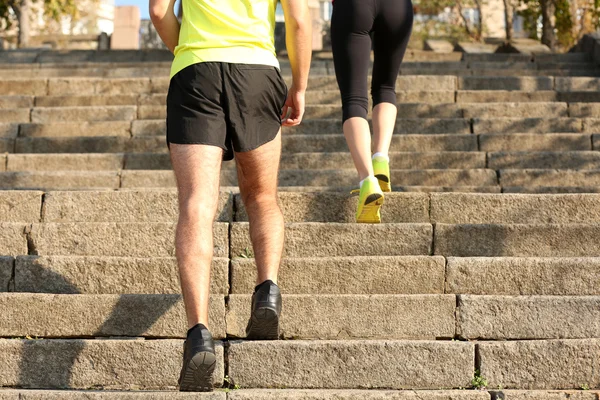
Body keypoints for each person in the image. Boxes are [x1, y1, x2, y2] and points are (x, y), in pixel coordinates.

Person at [149, 0, 312, 391]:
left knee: (196, 204)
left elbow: (157, 11)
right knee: (261, 197)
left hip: (195, 74)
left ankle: (199, 334)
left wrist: (186, 51)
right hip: (257, 72)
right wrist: (300, 86)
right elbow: (299, 19)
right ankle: (267, 291)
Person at [331, 0, 414, 223]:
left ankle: (367, 180)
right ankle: (380, 158)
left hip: (353, 6)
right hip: (398, 7)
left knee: (353, 99)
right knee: (386, 87)